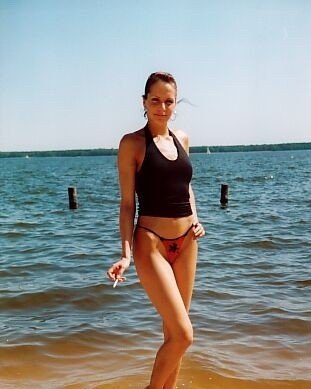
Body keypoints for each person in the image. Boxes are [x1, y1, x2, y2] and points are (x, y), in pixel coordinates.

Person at [107, 71, 205, 389]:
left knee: (173, 335)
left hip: (188, 241)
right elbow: (126, 204)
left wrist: (197, 218)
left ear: (175, 103)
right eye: (155, 100)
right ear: (144, 102)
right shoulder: (132, 144)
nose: (162, 107)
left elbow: (186, 188)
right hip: (152, 244)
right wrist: (125, 254)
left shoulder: (183, 138)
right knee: (183, 334)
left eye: (169, 101)